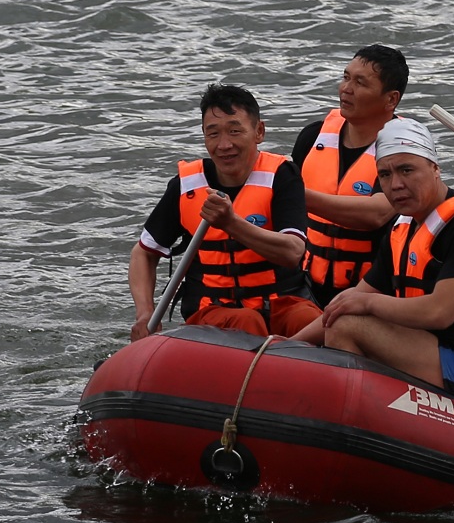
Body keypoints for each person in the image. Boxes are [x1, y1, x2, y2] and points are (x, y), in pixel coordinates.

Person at [314, 118, 454, 398]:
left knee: (346, 327)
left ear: (434, 168)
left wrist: (368, 303)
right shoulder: (403, 228)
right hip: (435, 347)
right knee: (341, 317)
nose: (395, 184)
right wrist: (282, 346)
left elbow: (439, 313)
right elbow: (347, 301)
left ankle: (360, 421)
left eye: (407, 170)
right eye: (385, 175)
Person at [126, 83, 318, 342]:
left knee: (315, 323)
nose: (224, 145)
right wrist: (145, 314)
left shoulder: (283, 176)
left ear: (258, 131)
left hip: (281, 302)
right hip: (212, 309)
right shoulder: (186, 185)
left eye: (234, 131)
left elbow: (293, 252)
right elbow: (143, 253)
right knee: (247, 322)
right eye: (213, 134)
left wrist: (231, 224)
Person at [290, 45, 403, 316]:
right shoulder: (312, 137)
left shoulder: (403, 148)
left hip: (372, 291)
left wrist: (294, 194)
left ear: (390, 99)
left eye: (360, 82)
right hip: (306, 284)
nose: (346, 89)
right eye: (345, 77)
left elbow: (377, 213)